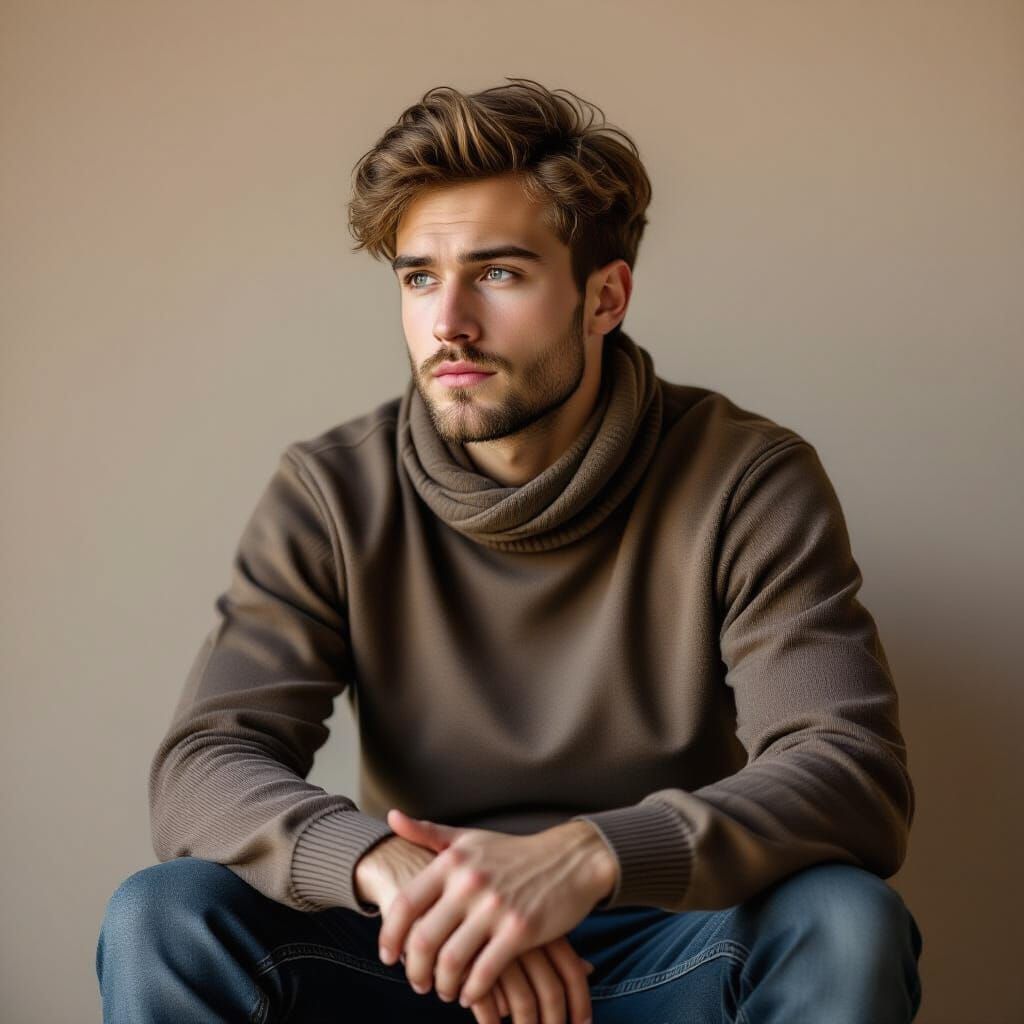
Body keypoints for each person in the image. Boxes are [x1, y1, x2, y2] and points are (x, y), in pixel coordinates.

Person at [96, 77, 923, 1023]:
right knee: (163, 915)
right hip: (416, 953)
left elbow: (850, 771)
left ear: (604, 296)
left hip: (663, 943)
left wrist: (584, 857)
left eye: (498, 272)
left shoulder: (745, 478)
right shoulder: (332, 491)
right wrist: (386, 869)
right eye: (418, 277)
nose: (448, 320)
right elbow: (204, 763)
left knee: (846, 919)